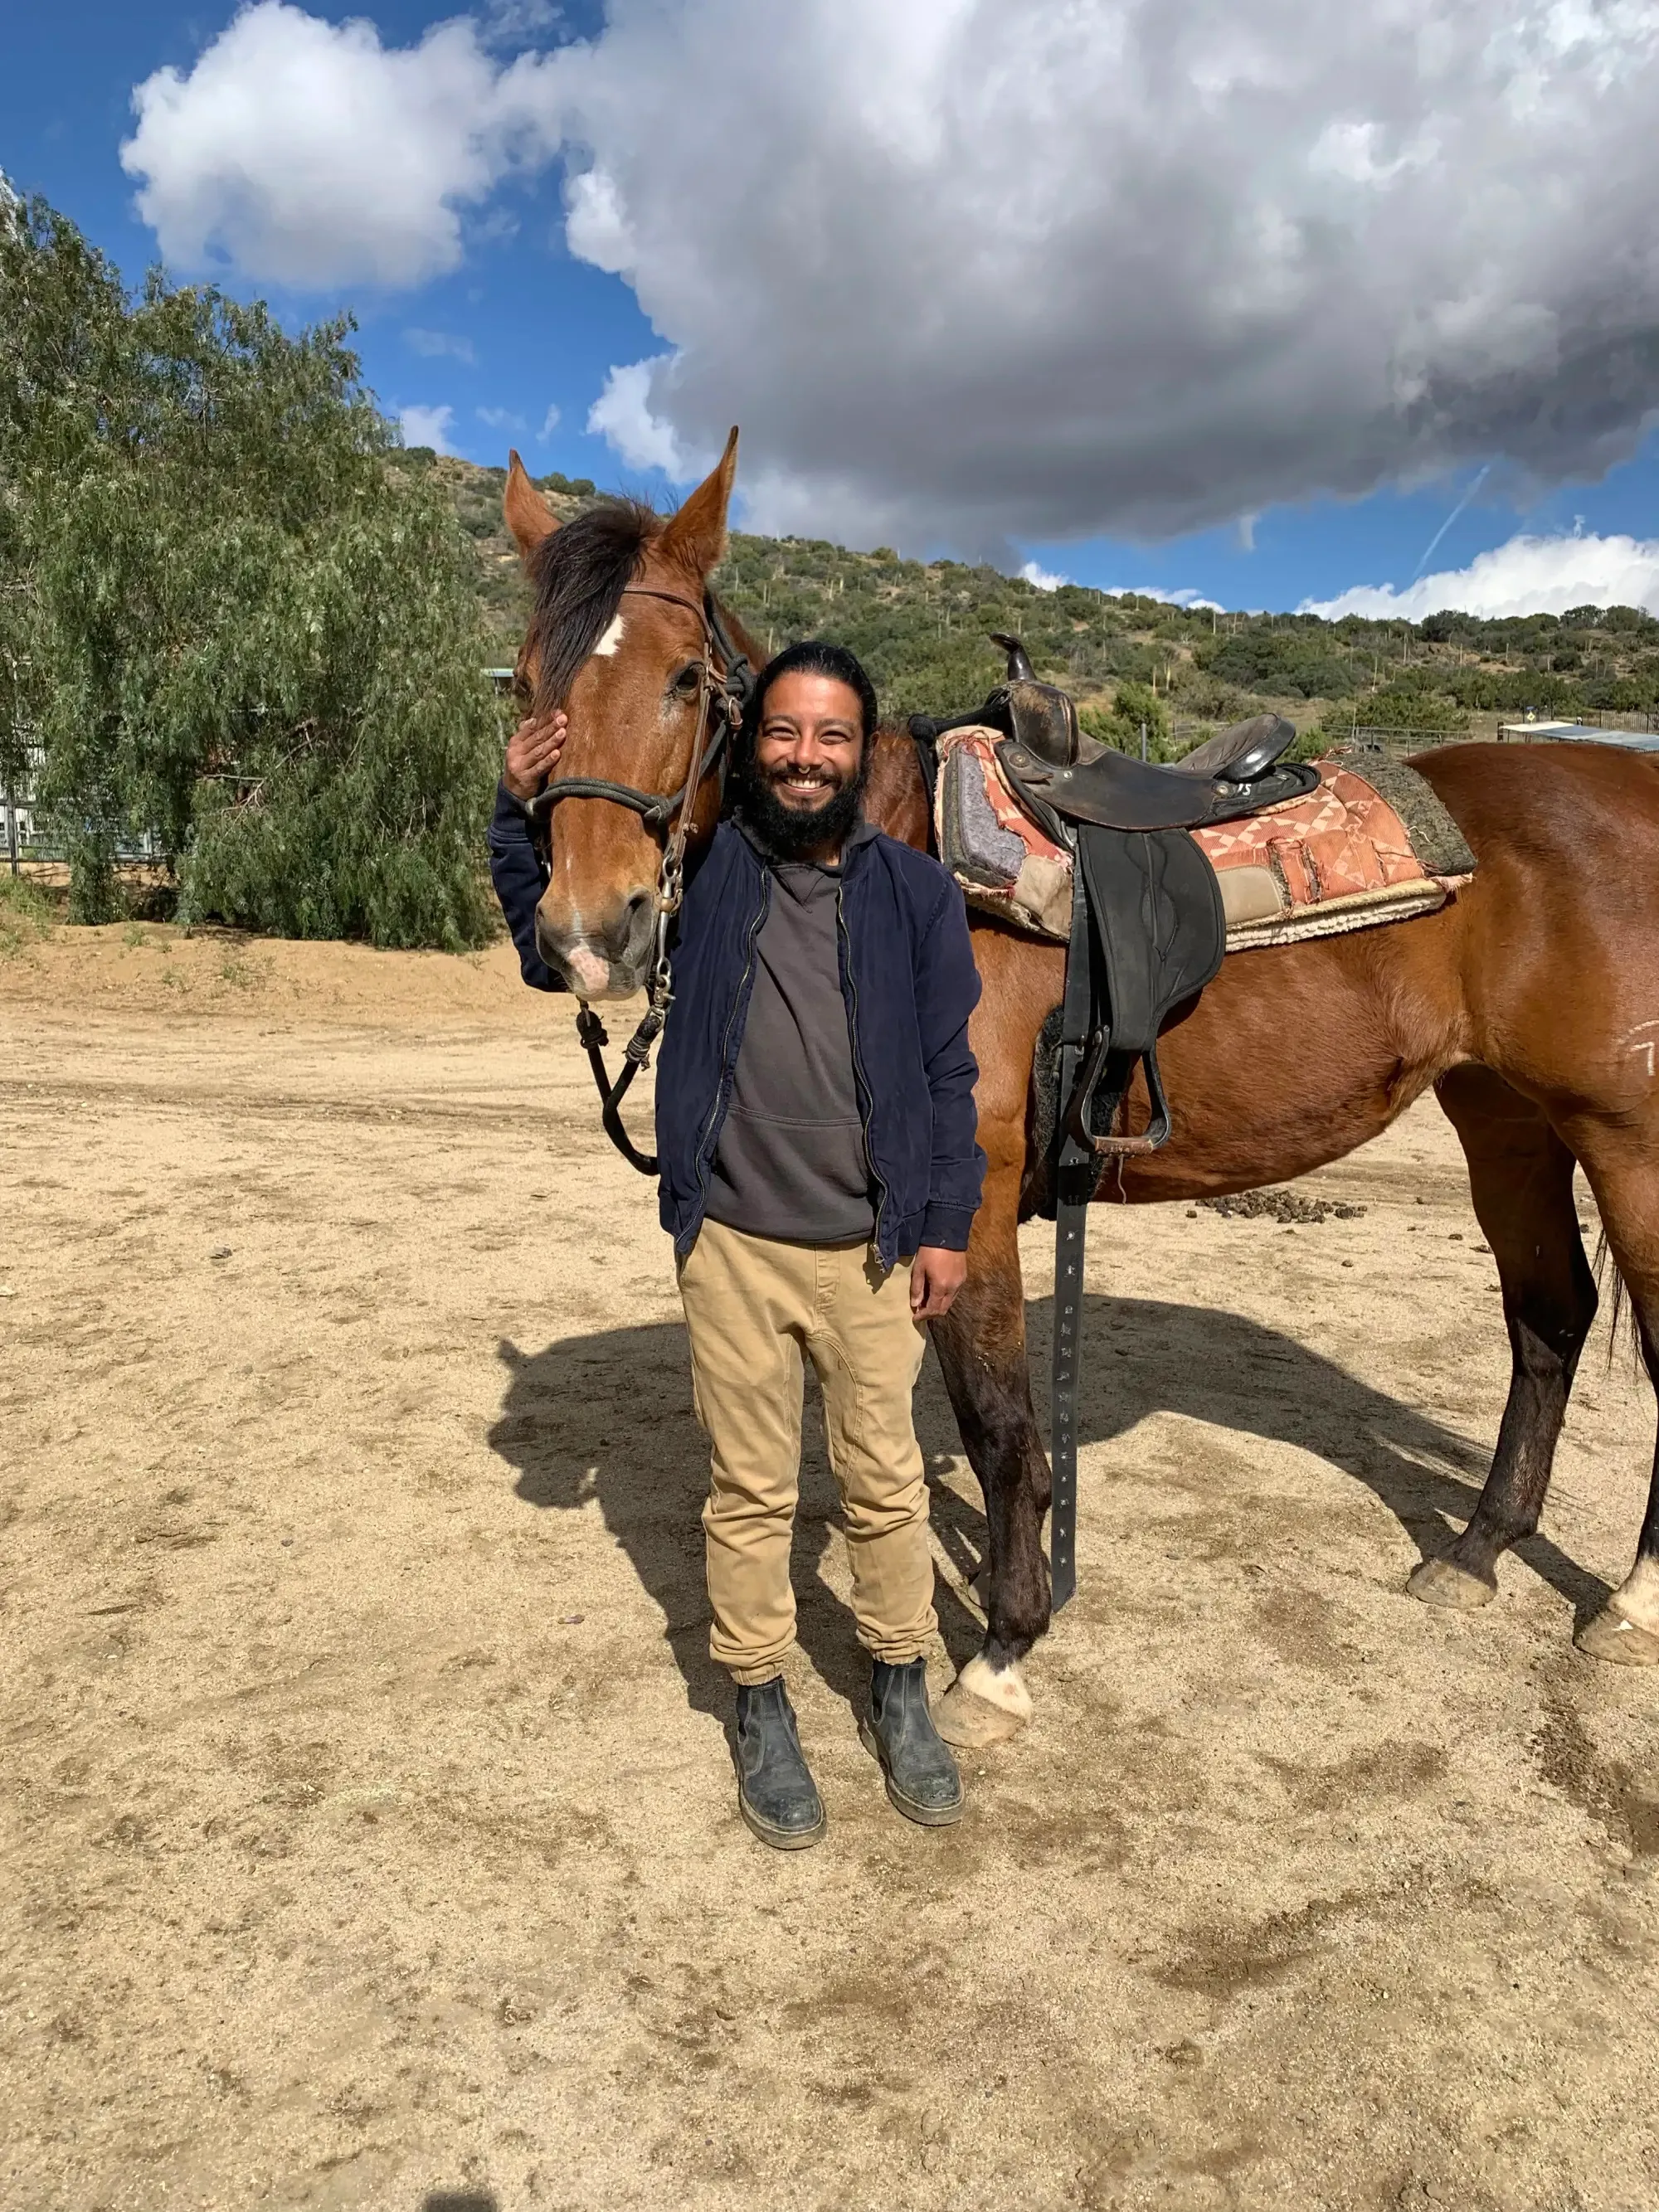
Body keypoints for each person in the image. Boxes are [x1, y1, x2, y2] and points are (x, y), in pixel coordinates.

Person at [489, 642, 985, 1851]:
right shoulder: (698, 878)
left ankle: (901, 1682)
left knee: (885, 1482)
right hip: (735, 1248)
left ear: (861, 754)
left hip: (874, 1248)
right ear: (745, 739)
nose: (804, 757)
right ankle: (759, 1696)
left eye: (830, 737)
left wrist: (946, 1225)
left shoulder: (916, 894)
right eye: (784, 733)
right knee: (753, 1490)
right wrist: (516, 808)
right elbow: (550, 933)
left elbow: (949, 1073)